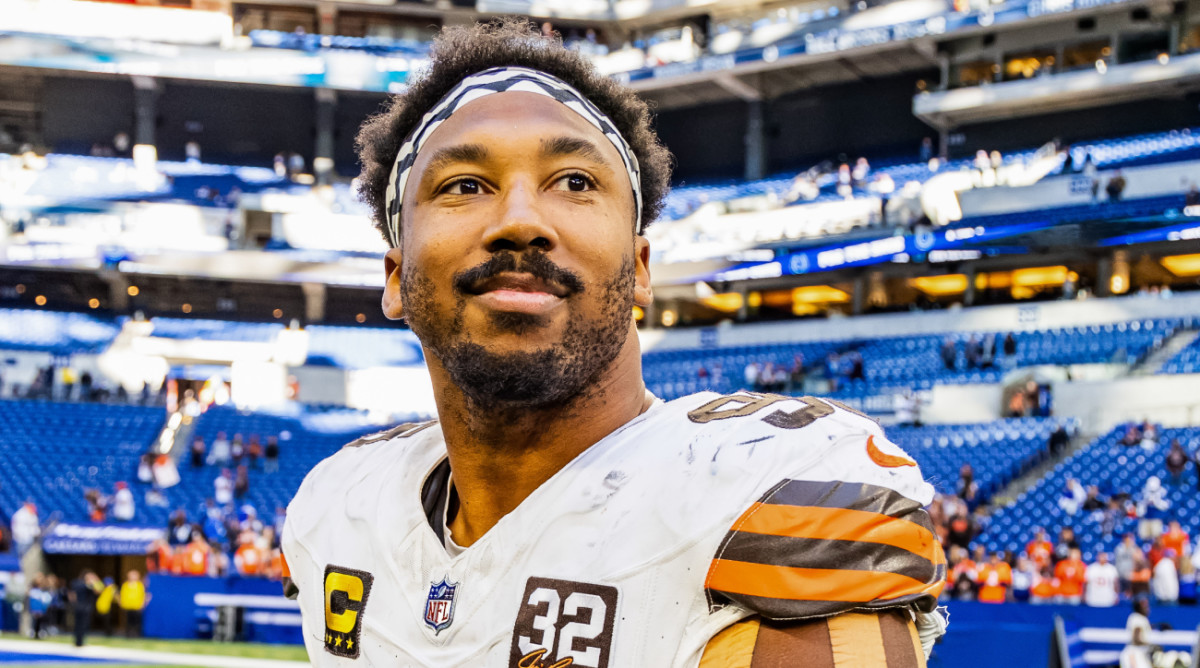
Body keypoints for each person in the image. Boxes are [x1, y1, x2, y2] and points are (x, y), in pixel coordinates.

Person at [280, 19, 947, 667]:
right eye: (465, 186)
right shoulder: (342, 507)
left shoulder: (756, 488)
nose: (520, 220)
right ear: (395, 279)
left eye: (574, 182)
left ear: (640, 270)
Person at [68, 570, 101, 647]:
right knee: (81, 624)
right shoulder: (85, 584)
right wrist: (94, 581)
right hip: (84, 607)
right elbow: (98, 590)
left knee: (80, 624)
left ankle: (78, 641)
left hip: (80, 606)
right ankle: (79, 642)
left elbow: (99, 590)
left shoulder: (77, 583)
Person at [1121, 596, 1153, 668]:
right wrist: (1150, 645)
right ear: (1138, 606)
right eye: (1144, 605)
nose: (1147, 607)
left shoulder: (1138, 618)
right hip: (1134, 654)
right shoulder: (1137, 617)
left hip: (1137, 653)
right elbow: (1136, 638)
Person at [118, 570, 147, 638]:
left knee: (137, 621)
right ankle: (128, 635)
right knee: (128, 621)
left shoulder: (140, 585)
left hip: (137, 606)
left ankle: (137, 635)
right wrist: (121, 602)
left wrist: (142, 604)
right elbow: (122, 594)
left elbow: (143, 595)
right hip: (128, 605)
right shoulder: (125, 585)